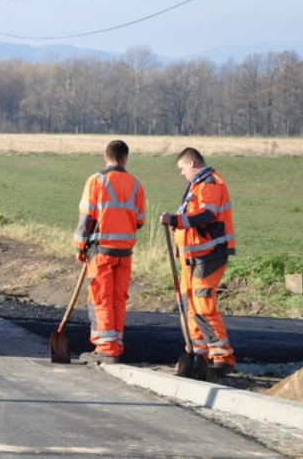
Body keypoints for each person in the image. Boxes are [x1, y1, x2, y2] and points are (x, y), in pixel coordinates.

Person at [159, 147, 236, 377]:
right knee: (188, 304)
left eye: (182, 169)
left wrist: (175, 220)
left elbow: (207, 214)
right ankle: (198, 353)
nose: (182, 173)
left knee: (203, 305)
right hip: (192, 258)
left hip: (208, 255)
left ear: (191, 163)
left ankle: (223, 357)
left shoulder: (210, 183)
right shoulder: (197, 185)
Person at [74, 140, 146, 364]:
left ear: (106, 157)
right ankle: (115, 343)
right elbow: (140, 221)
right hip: (125, 252)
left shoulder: (96, 180)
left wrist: (80, 247)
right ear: (125, 159)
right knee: (118, 299)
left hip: (100, 250)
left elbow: (86, 220)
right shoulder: (136, 185)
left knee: (100, 298)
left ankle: (105, 348)